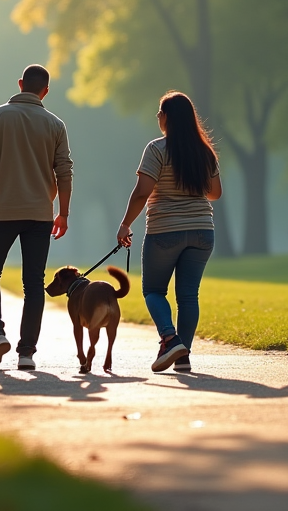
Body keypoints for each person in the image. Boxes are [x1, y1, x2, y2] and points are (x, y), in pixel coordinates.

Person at [0, 64, 73, 371]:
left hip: (2, 210)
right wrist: (63, 213)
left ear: (19, 84)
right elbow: (64, 172)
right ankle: (26, 352)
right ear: (45, 91)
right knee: (34, 284)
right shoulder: (55, 124)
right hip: (40, 214)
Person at [116, 90, 221, 374]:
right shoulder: (205, 152)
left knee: (153, 290)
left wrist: (125, 224)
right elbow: (214, 193)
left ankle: (170, 339)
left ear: (166, 117)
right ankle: (183, 356)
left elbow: (141, 193)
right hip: (202, 232)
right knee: (188, 296)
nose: (158, 117)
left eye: (159, 113)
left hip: (165, 231)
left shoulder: (157, 149)